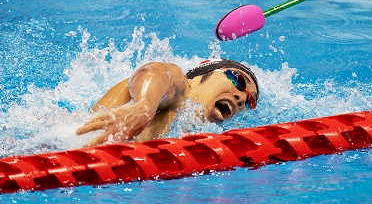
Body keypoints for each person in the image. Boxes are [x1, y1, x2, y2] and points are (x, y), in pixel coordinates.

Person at [76, 59, 259, 146]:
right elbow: (157, 72)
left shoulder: (185, 126)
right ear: (200, 75)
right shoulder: (180, 88)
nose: (242, 98)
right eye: (239, 81)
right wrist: (145, 105)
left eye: (250, 100)